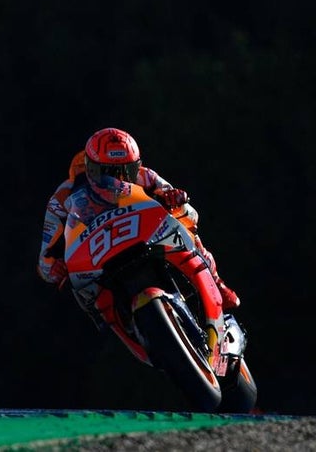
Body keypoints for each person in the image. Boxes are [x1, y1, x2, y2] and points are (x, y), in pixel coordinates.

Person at [37, 127, 240, 329]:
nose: (117, 180)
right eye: (106, 173)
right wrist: (56, 268)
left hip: (144, 236)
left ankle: (215, 282)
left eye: (127, 171)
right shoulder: (62, 198)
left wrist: (175, 199)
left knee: (184, 222)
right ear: (90, 169)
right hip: (99, 256)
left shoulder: (146, 177)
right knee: (81, 293)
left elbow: (191, 214)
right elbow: (45, 262)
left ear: (137, 167)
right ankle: (116, 321)